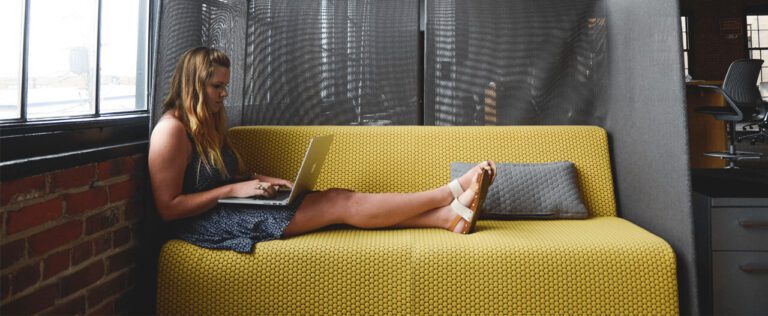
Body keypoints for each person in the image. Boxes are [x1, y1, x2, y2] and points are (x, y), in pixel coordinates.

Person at [148, 47, 496, 253]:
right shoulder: (171, 132)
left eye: (225, 86)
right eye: (216, 86)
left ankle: (446, 218)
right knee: (339, 203)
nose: (224, 94)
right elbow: (168, 209)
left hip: (229, 208)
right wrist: (233, 190)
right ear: (193, 84)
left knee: (338, 197)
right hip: (207, 225)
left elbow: (223, 179)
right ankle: (446, 193)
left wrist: (260, 182)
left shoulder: (208, 121)